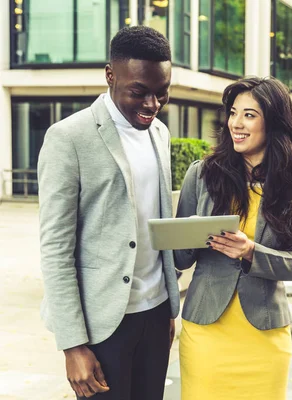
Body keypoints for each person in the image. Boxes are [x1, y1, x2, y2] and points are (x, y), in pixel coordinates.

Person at [37, 26, 180, 399]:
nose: (152, 104)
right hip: (102, 325)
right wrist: (72, 345)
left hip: (155, 312)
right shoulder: (68, 138)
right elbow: (56, 249)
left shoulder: (160, 134)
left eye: (161, 93)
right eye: (139, 92)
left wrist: (166, 309)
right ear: (110, 75)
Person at [174, 76, 292, 399]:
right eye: (234, 112)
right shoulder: (202, 173)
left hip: (265, 335)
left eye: (249, 115)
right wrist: (188, 234)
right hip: (206, 332)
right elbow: (179, 259)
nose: (236, 123)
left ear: (274, 122)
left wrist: (251, 251)